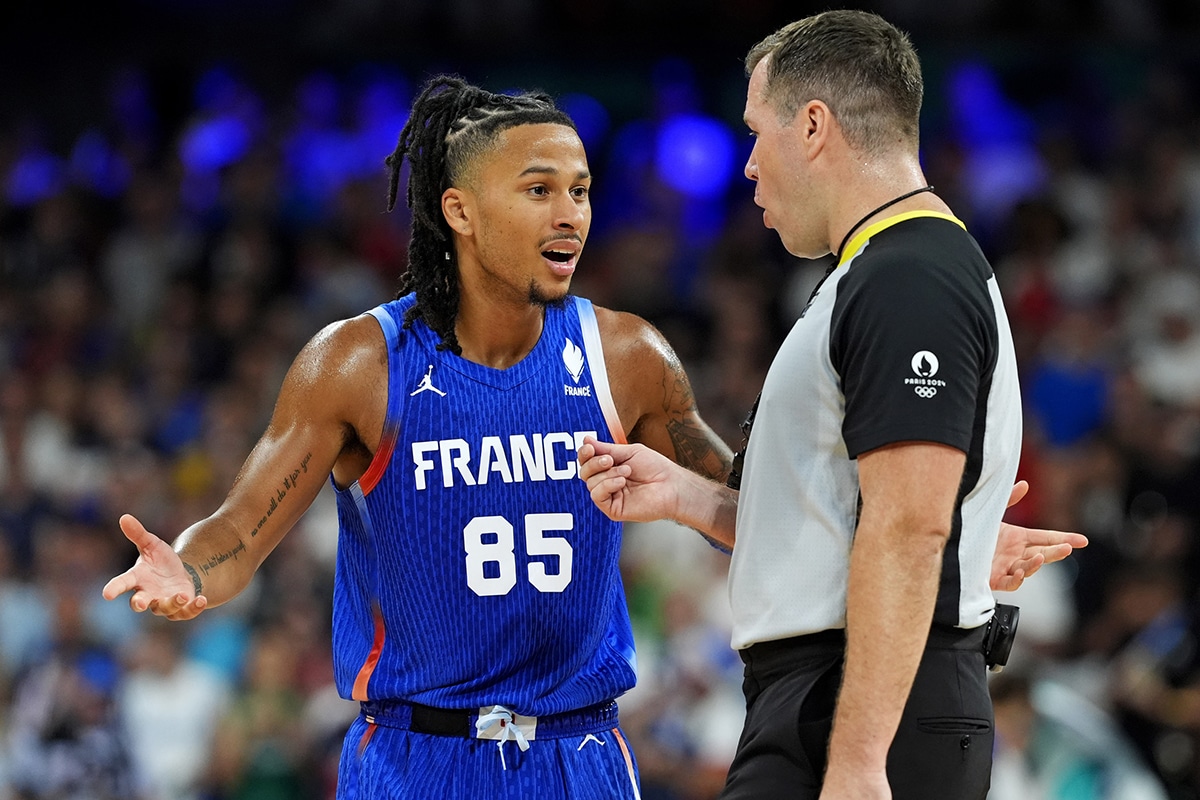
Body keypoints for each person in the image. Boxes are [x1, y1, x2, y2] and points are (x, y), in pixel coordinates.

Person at [102, 73, 1079, 799]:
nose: (572, 212)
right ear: (461, 213)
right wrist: (188, 569)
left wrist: (946, 546)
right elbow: (237, 529)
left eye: (579, 188)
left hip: (582, 752)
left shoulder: (627, 355)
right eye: (540, 190)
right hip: (413, 755)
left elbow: (761, 507)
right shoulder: (358, 362)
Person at [577, 10, 1088, 800]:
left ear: (813, 125)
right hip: (841, 700)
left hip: (860, 715)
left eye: (756, 131)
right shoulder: (876, 273)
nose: (747, 165)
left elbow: (910, 528)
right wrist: (687, 496)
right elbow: (853, 526)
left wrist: (856, 763)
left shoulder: (907, 276)